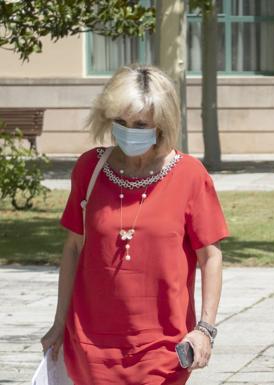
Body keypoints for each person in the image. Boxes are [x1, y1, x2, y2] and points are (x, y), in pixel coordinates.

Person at [40, 64, 229, 384]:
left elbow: (210, 257)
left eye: (141, 124)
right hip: (90, 344)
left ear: (162, 122)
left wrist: (205, 330)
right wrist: (59, 323)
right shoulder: (90, 168)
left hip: (162, 347)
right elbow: (73, 248)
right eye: (121, 122)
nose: (130, 130)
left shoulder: (190, 176)